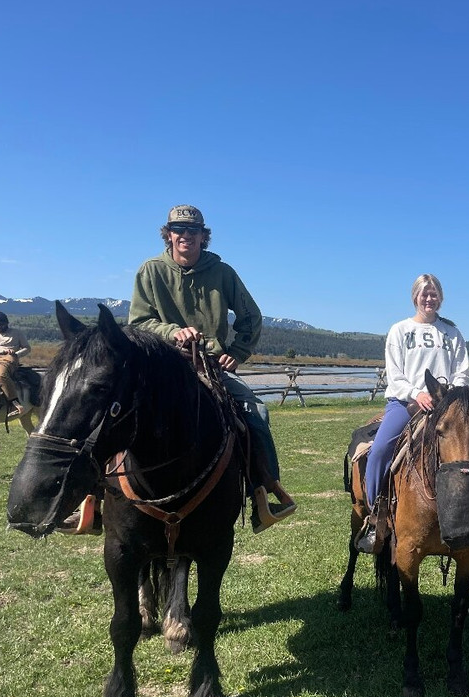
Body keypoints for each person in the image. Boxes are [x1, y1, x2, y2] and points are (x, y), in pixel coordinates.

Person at [60, 204, 297, 535]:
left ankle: (265, 493)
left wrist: (237, 352)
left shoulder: (223, 273)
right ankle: (91, 500)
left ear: (203, 236)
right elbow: (139, 321)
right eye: (179, 230)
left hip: (208, 363)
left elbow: (250, 317)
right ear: (168, 234)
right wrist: (173, 332)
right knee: (110, 412)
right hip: (159, 361)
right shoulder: (150, 270)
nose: (186, 236)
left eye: (193, 231)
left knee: (256, 410)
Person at [358, 274, 469, 552]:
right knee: (381, 451)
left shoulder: (452, 333)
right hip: (407, 404)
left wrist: (448, 398)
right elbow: (395, 374)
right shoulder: (400, 330)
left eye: (434, 294)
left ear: (441, 297)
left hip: (445, 406)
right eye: (424, 294)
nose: (429, 299)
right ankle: (376, 517)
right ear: (415, 297)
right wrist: (416, 393)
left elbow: (462, 371)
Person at [0, 312, 31, 418]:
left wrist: (16, 354)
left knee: (0, 375)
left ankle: (14, 403)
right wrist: (1, 350)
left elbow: (27, 348)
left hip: (9, 358)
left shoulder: (17, 333)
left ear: (7, 323)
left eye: (1, 324)